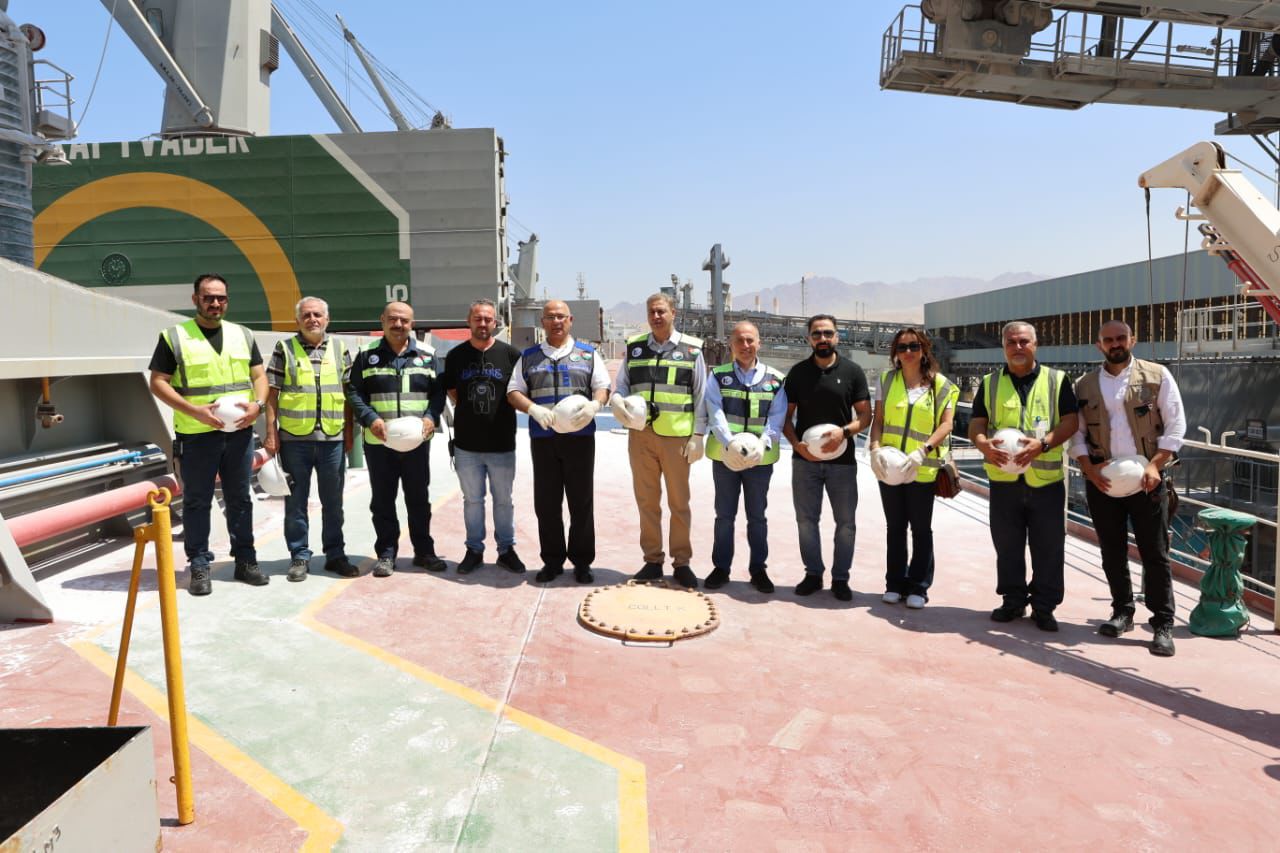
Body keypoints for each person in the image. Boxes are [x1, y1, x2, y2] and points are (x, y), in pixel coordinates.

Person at [148, 273, 269, 596]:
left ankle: (245, 560)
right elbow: (158, 382)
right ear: (195, 300)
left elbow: (259, 377)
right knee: (197, 500)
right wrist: (194, 411)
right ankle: (199, 564)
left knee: (240, 498)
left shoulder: (243, 335)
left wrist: (257, 406)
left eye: (221, 298)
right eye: (208, 297)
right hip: (196, 434)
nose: (215, 303)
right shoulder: (175, 337)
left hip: (239, 433)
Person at [1071, 320, 1185, 656]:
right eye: (1108, 339)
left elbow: (1176, 424)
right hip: (1103, 481)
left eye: (1121, 338)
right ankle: (1122, 612)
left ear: (1132, 340)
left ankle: (1162, 623)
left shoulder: (1157, 376)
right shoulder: (1084, 384)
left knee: (1155, 553)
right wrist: (1088, 469)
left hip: (1147, 481)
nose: (1115, 343)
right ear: (1099, 345)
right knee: (1112, 551)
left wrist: (1155, 465)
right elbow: (1077, 432)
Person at [968, 320, 1079, 631]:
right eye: (1011, 342)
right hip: (1004, 481)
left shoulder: (1057, 380)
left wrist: (1044, 444)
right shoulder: (989, 383)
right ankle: (1013, 600)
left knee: (1049, 546)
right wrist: (982, 444)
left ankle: (1044, 607)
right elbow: (977, 423)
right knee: (1007, 545)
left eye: (1023, 341)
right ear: (1003, 347)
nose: (1017, 347)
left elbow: (1071, 421)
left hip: (1045, 482)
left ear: (1035, 345)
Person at [507, 300, 611, 583]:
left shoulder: (588, 354)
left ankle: (582, 562)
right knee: (547, 503)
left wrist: (595, 405)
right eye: (550, 317)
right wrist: (533, 409)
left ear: (570, 320)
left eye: (561, 317)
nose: (556, 322)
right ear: (542, 322)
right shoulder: (529, 357)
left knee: (581, 501)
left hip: (579, 439)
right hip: (544, 439)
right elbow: (514, 391)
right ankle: (552, 561)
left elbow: (602, 387)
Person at [612, 293, 707, 588]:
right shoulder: (635, 347)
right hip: (641, 436)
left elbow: (700, 394)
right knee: (647, 501)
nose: (656, 316)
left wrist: (698, 435)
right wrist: (617, 399)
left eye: (661, 311)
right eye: (652, 312)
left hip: (676, 438)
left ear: (673, 313)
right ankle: (652, 560)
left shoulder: (692, 350)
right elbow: (622, 384)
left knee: (679, 503)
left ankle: (682, 562)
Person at [345, 301, 446, 577]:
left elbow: (438, 393)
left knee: (418, 499)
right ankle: (386, 554)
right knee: (382, 501)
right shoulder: (366, 355)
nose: (398, 324)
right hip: (379, 443)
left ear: (412, 324)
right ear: (382, 320)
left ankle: (424, 552)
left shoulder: (427, 354)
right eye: (393, 319)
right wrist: (371, 418)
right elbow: (354, 392)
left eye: (404, 320)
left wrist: (430, 417)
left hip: (416, 443)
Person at [263, 297, 357, 581]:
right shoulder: (285, 349)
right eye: (306, 315)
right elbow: (271, 393)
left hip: (332, 439)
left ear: (327, 319)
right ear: (297, 321)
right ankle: (299, 556)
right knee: (296, 503)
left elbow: (349, 394)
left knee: (333, 502)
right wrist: (271, 433)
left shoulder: (340, 348)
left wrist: (349, 433)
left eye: (317, 314)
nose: (312, 319)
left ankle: (335, 555)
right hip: (294, 440)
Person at [782, 314, 872, 601]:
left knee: (846, 523)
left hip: (842, 464)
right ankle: (813, 574)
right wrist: (796, 445)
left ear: (837, 337)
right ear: (809, 338)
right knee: (806, 520)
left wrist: (843, 433)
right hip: (805, 462)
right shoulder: (798, 373)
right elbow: (785, 417)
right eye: (817, 334)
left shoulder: (853, 372)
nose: (823, 338)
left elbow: (865, 416)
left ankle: (841, 578)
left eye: (828, 333)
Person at [867, 328, 959, 609]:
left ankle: (919, 585)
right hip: (890, 467)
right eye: (902, 347)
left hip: (922, 468)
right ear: (895, 352)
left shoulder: (942, 385)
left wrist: (923, 451)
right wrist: (874, 449)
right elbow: (878, 420)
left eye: (914, 346)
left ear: (924, 349)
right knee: (895, 527)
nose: (908, 352)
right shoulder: (887, 380)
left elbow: (946, 424)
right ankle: (894, 583)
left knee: (921, 529)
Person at [701, 321, 788, 593]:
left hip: (759, 461)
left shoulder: (775, 379)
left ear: (759, 343)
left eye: (750, 340)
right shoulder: (718, 376)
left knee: (757, 516)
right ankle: (721, 568)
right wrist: (730, 443)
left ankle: (758, 569)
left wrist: (762, 444)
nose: (745, 345)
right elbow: (714, 411)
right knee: (724, 515)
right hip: (725, 459)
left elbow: (777, 416)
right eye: (740, 340)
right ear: (731, 344)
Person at [443, 299, 525, 575]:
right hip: (467, 446)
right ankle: (474, 550)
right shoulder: (456, 356)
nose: (483, 323)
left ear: (495, 322)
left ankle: (506, 550)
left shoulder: (511, 355)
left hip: (502, 444)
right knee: (472, 501)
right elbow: (453, 392)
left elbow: (518, 392)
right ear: (469, 321)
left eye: (488, 319)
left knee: (504, 501)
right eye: (478, 318)